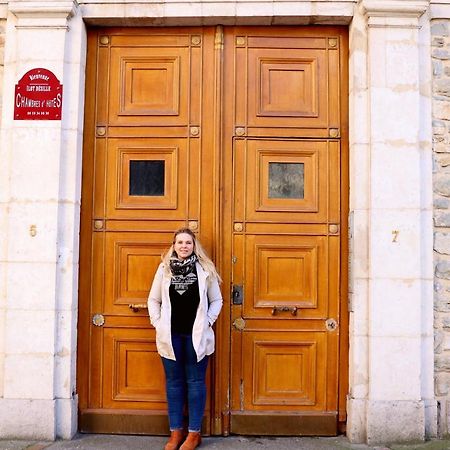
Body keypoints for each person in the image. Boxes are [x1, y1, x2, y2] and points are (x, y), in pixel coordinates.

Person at [147, 228, 223, 450]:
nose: (183, 246)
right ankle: (176, 432)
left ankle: (194, 434)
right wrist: (158, 323)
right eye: (179, 242)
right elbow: (153, 300)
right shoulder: (164, 269)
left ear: (193, 246)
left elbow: (217, 300)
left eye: (188, 242)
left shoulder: (204, 270)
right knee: (174, 384)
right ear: (173, 245)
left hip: (196, 337)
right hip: (171, 336)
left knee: (196, 383)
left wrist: (208, 321)